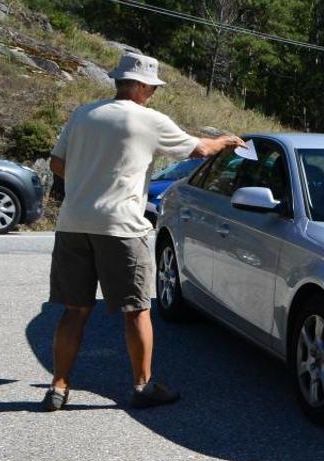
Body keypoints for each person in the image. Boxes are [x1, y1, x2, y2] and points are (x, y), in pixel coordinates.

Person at [43, 52, 244, 411]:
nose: (152, 93)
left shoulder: (84, 113)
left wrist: (88, 184)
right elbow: (199, 149)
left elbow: (57, 163)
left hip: (73, 223)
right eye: (151, 87)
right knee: (136, 310)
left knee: (74, 310)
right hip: (120, 227)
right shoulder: (148, 120)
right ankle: (142, 386)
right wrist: (225, 142)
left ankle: (58, 386)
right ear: (138, 86)